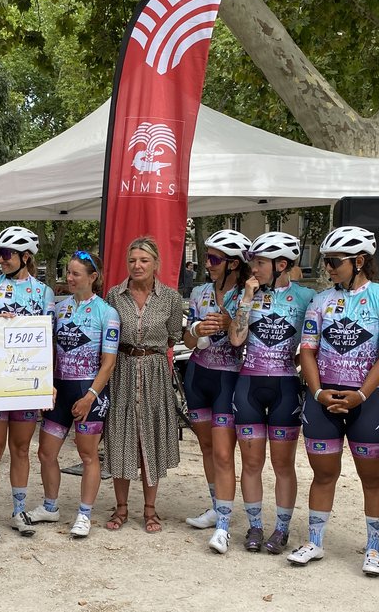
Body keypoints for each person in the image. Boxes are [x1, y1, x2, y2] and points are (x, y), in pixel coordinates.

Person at [291, 227, 379, 576]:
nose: (327, 268)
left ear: (359, 261)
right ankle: (315, 541)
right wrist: (319, 392)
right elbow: (307, 349)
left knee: (372, 478)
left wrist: (362, 395)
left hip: (367, 397)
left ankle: (373, 549)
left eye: (333, 262)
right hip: (324, 394)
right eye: (325, 261)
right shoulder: (320, 301)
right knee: (322, 474)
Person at [228, 231, 315, 555]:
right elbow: (236, 339)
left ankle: (281, 529)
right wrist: (248, 297)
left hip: (285, 386)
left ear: (281, 264)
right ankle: (254, 525)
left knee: (283, 465)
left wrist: (295, 360)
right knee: (251, 463)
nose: (255, 268)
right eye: (253, 261)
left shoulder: (306, 297)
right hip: (249, 383)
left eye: (261, 262)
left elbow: (315, 341)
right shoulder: (247, 293)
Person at [0, 226, 55, 541]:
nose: (1, 260)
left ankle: (19, 510)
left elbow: (48, 340)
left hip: (25, 381)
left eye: (6, 254)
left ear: (25, 257)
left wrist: (47, 382)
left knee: (20, 448)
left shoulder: (43, 292)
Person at [34, 250, 119, 538]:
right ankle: (50, 506)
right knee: (46, 453)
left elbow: (109, 363)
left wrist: (90, 396)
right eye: (67, 272)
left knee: (87, 455)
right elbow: (46, 348)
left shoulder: (107, 312)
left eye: (75, 274)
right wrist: (48, 382)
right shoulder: (60, 309)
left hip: (88, 391)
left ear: (93, 278)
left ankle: (84, 514)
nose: (69, 278)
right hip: (60, 389)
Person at [102, 236, 184, 534]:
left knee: (150, 435)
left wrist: (151, 352)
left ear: (156, 264)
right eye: (133, 260)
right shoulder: (114, 295)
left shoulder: (171, 298)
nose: (137, 266)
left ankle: (150, 509)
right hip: (121, 369)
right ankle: (121, 507)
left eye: (144, 260)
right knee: (121, 436)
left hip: (154, 372)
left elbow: (174, 335)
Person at [180, 229, 251, 553]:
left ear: (233, 264)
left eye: (213, 258)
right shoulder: (200, 291)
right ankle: (216, 507)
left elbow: (246, 339)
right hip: (198, 374)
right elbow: (188, 341)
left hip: (229, 377)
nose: (207, 263)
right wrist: (196, 329)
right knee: (207, 447)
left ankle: (223, 526)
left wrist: (231, 321)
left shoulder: (249, 294)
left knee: (224, 453)